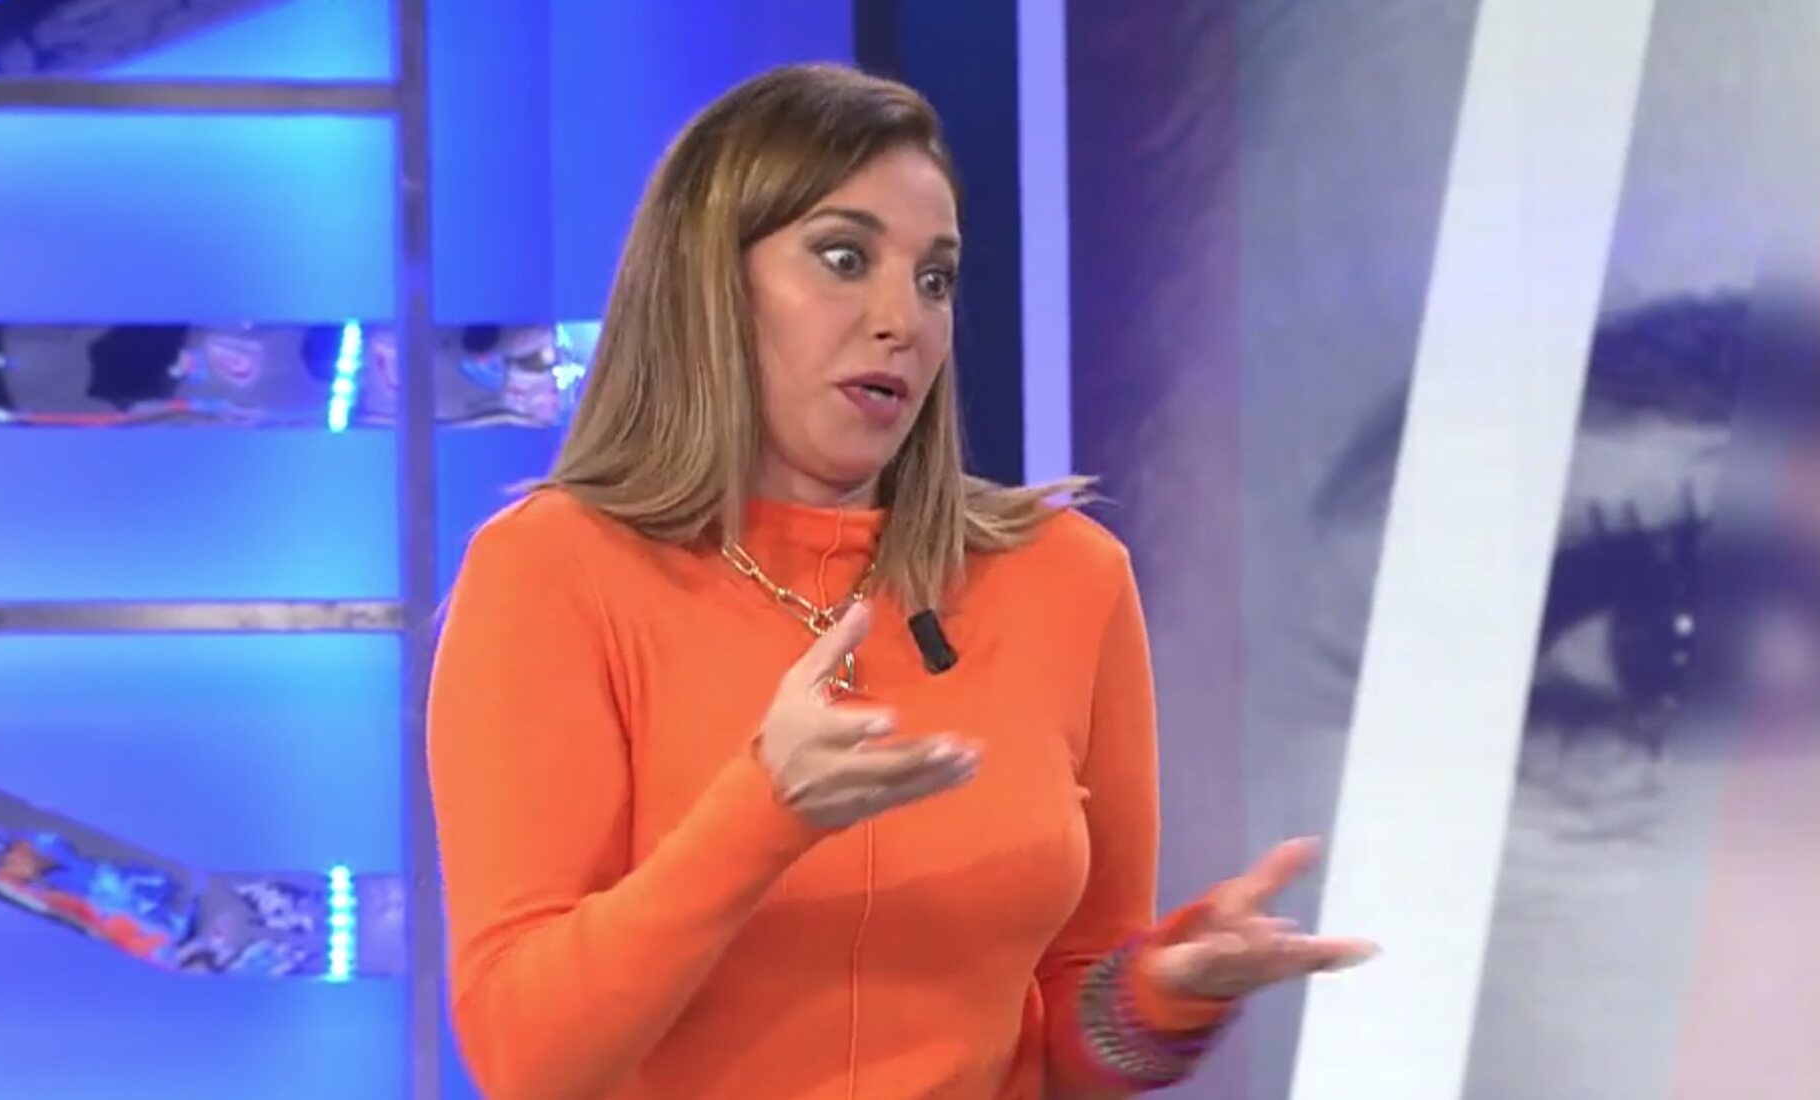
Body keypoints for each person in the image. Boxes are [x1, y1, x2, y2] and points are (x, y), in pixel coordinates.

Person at [427, 62, 1375, 1100]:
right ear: (708, 282)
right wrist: (762, 814)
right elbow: (530, 1057)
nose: (902, 319)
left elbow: (1068, 1030)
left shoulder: (1069, 579)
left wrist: (1159, 998)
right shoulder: (553, 570)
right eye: (844, 258)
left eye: (934, 279)